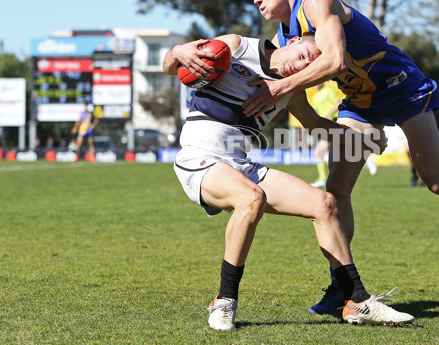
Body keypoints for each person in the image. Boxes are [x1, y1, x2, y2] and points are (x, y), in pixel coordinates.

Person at [240, 0, 439, 311]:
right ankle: (342, 286)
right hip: (361, 102)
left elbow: (336, 61)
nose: (256, 0)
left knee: (434, 179)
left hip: (403, 89)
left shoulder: (316, 3)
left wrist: (279, 89)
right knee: (336, 190)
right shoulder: (283, 37)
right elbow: (298, 101)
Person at [163, 33, 415, 330]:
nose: (303, 68)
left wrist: (364, 139)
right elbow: (171, 65)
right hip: (199, 158)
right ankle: (224, 300)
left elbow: (317, 126)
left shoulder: (292, 92)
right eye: (306, 57)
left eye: (313, 66)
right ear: (293, 41)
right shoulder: (237, 46)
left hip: (241, 166)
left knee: (325, 204)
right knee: (251, 198)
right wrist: (179, 50)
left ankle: (357, 300)